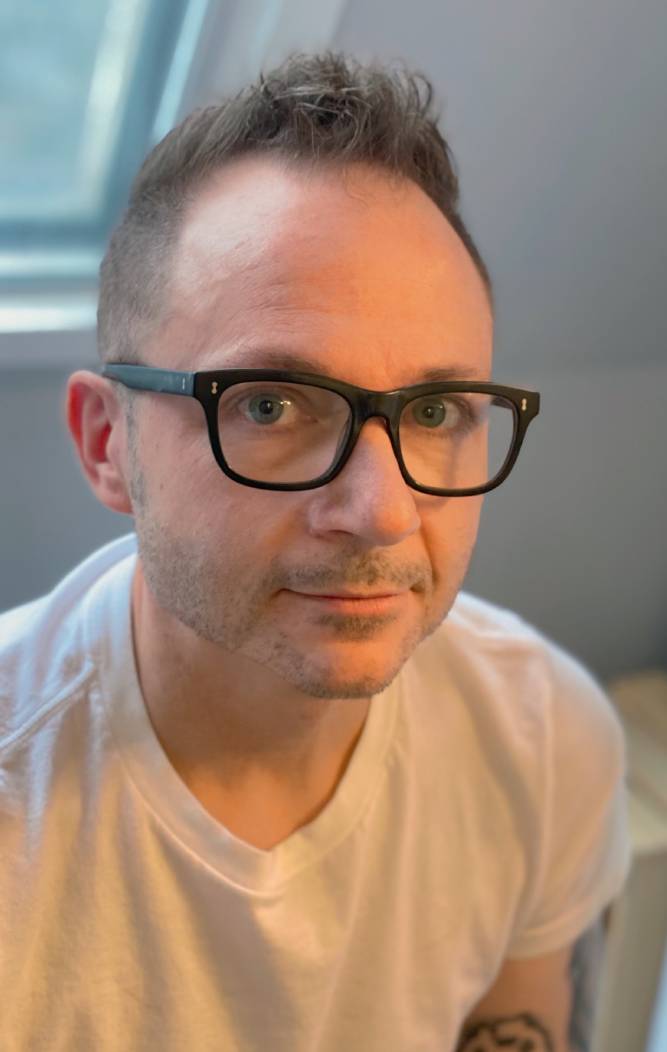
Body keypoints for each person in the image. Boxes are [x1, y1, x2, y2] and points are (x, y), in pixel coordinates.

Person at [0, 50, 631, 1051]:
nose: (382, 510)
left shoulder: (544, 734)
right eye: (269, 403)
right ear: (105, 442)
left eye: (434, 410)